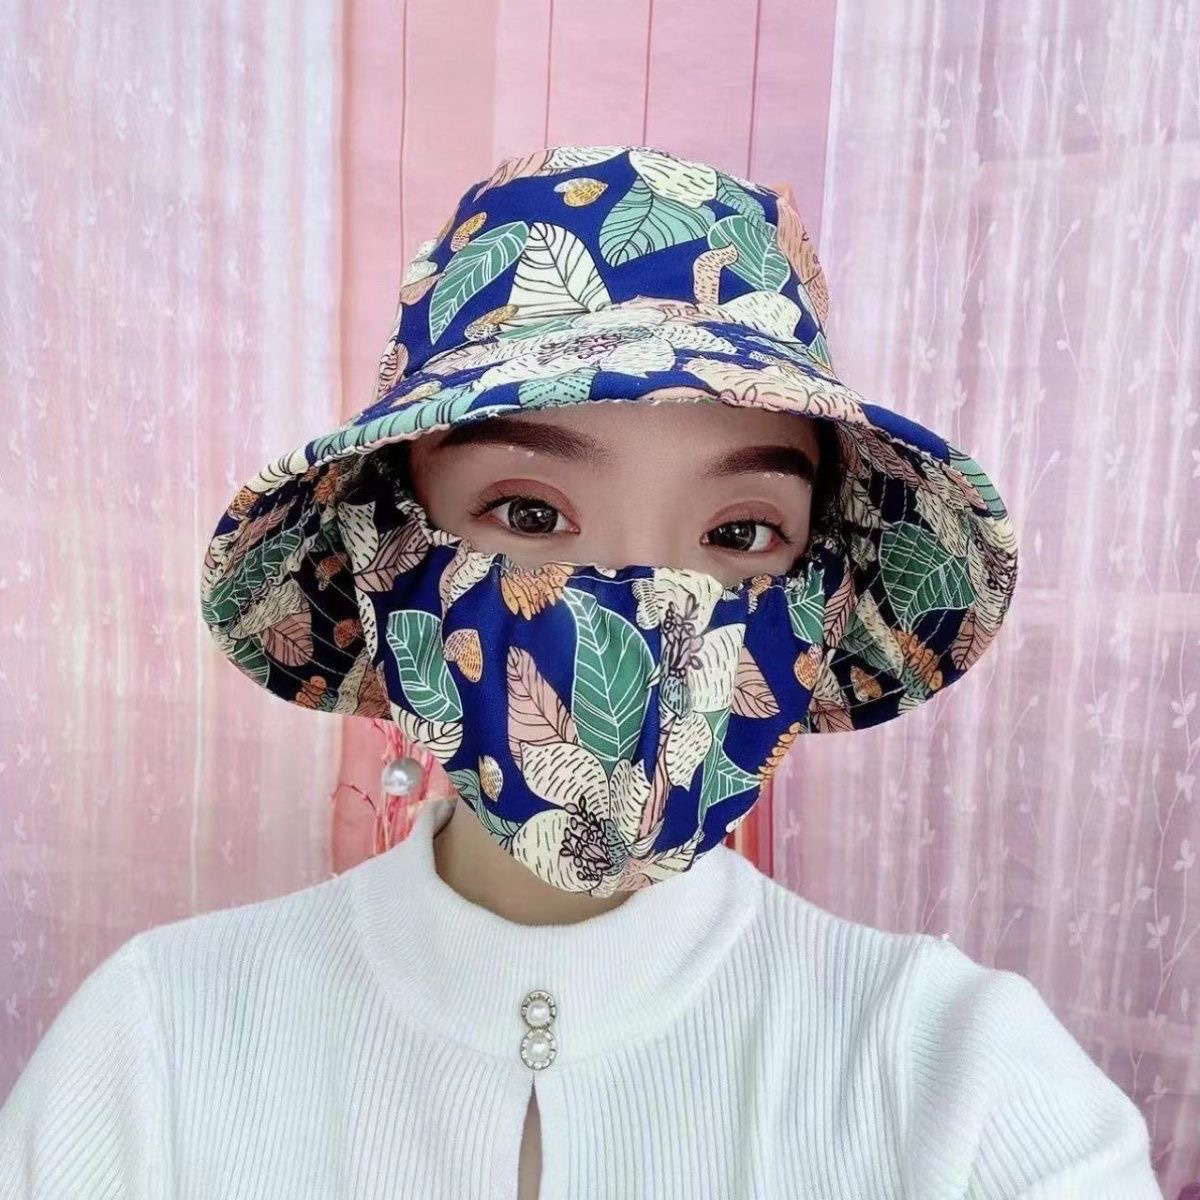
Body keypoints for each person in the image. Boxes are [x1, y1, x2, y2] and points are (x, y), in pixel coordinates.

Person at [0, 145, 1162, 1199]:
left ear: (823, 589)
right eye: (527, 510)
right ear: (384, 551)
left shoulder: (965, 1082)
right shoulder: (151, 1054)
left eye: (741, 532)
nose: (642, 610)